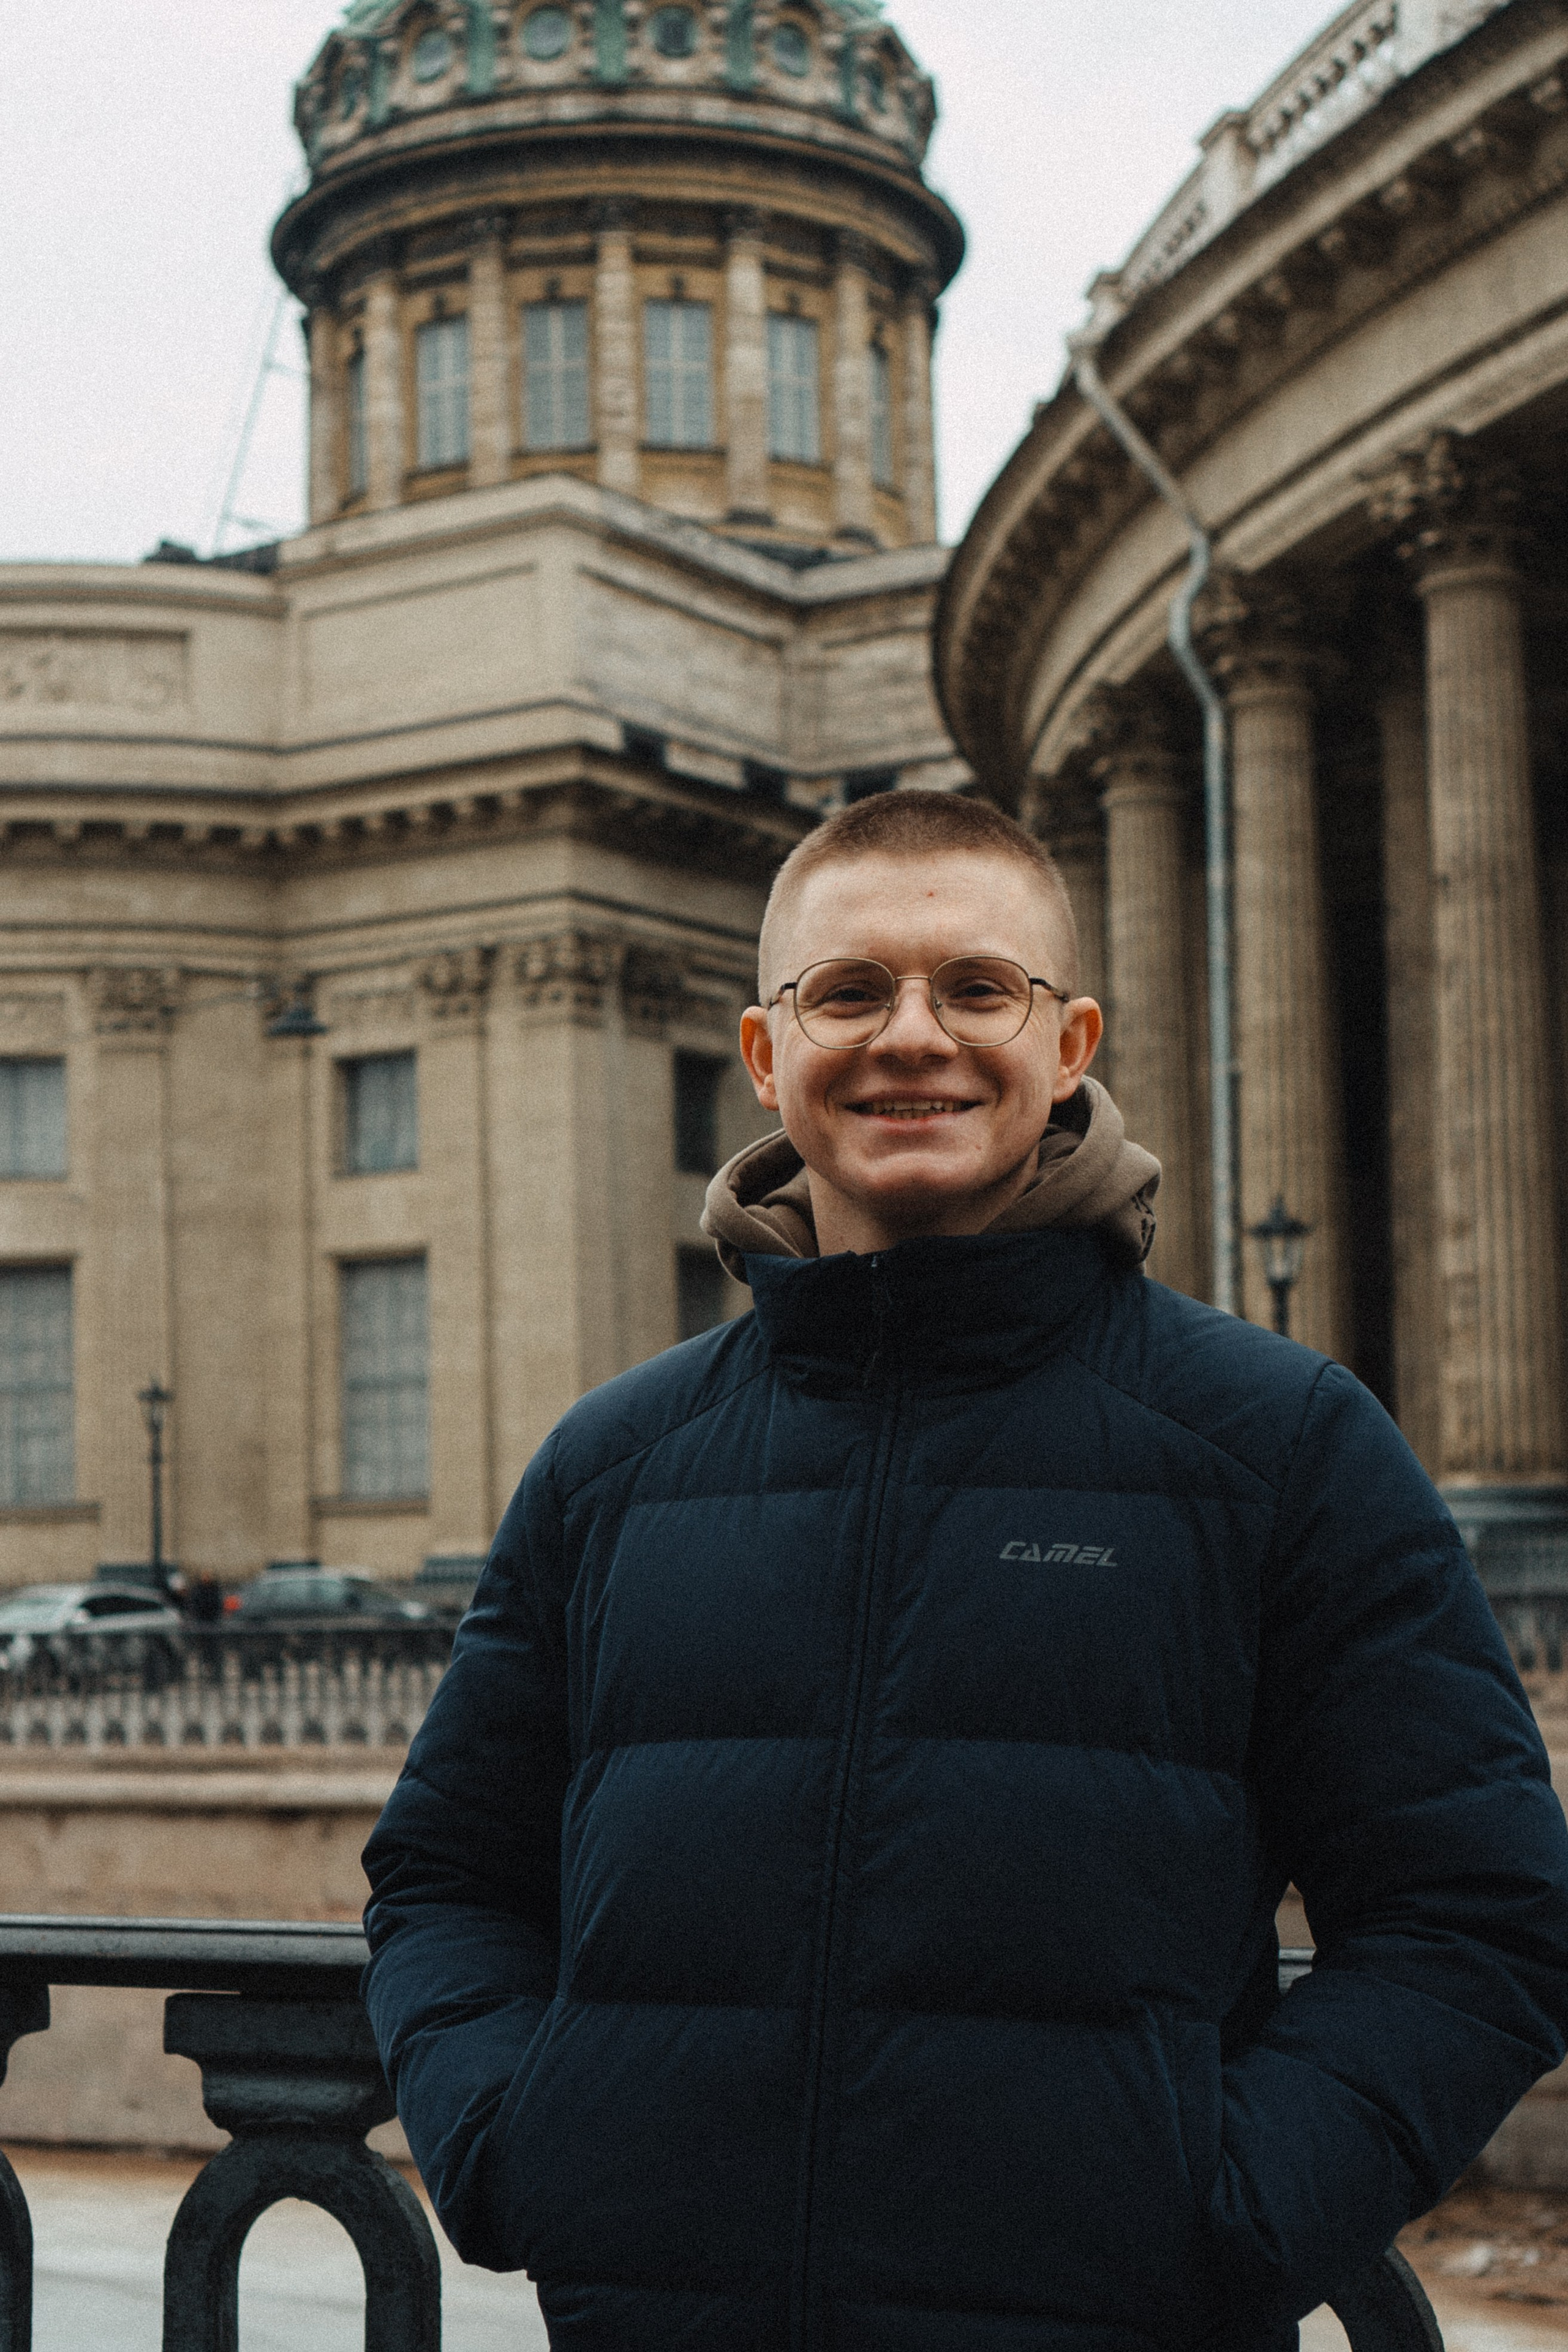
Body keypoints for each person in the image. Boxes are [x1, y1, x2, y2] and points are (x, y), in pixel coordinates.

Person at [363, 791, 1568, 2352]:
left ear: (1068, 1046)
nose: (909, 1035)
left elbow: (1471, 1914)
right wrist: (523, 2150)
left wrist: (1224, 2213)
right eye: (849, 991)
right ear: (766, 1053)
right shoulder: (612, 1466)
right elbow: (449, 1876)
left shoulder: (1276, 1443)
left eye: (975, 989)